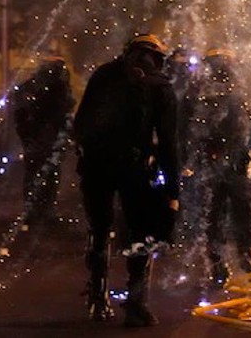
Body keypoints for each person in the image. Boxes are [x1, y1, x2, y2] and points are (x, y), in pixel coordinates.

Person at [73, 33, 180, 327]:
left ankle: (97, 300)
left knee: (99, 230)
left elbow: (80, 123)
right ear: (158, 57)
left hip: (97, 166)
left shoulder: (104, 74)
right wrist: (173, 190)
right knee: (140, 235)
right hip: (135, 168)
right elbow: (170, 144)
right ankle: (135, 305)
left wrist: (86, 155)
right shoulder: (160, 87)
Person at [190, 49, 251, 286]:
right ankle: (239, 254)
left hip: (219, 161)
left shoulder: (203, 87)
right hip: (225, 161)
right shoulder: (230, 88)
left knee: (216, 212)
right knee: (233, 211)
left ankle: (224, 260)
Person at [9, 55, 75, 221]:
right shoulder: (54, 88)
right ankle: (42, 209)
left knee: (37, 172)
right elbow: (64, 109)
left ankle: (35, 209)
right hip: (45, 136)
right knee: (48, 173)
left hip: (38, 136)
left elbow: (18, 107)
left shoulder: (34, 86)